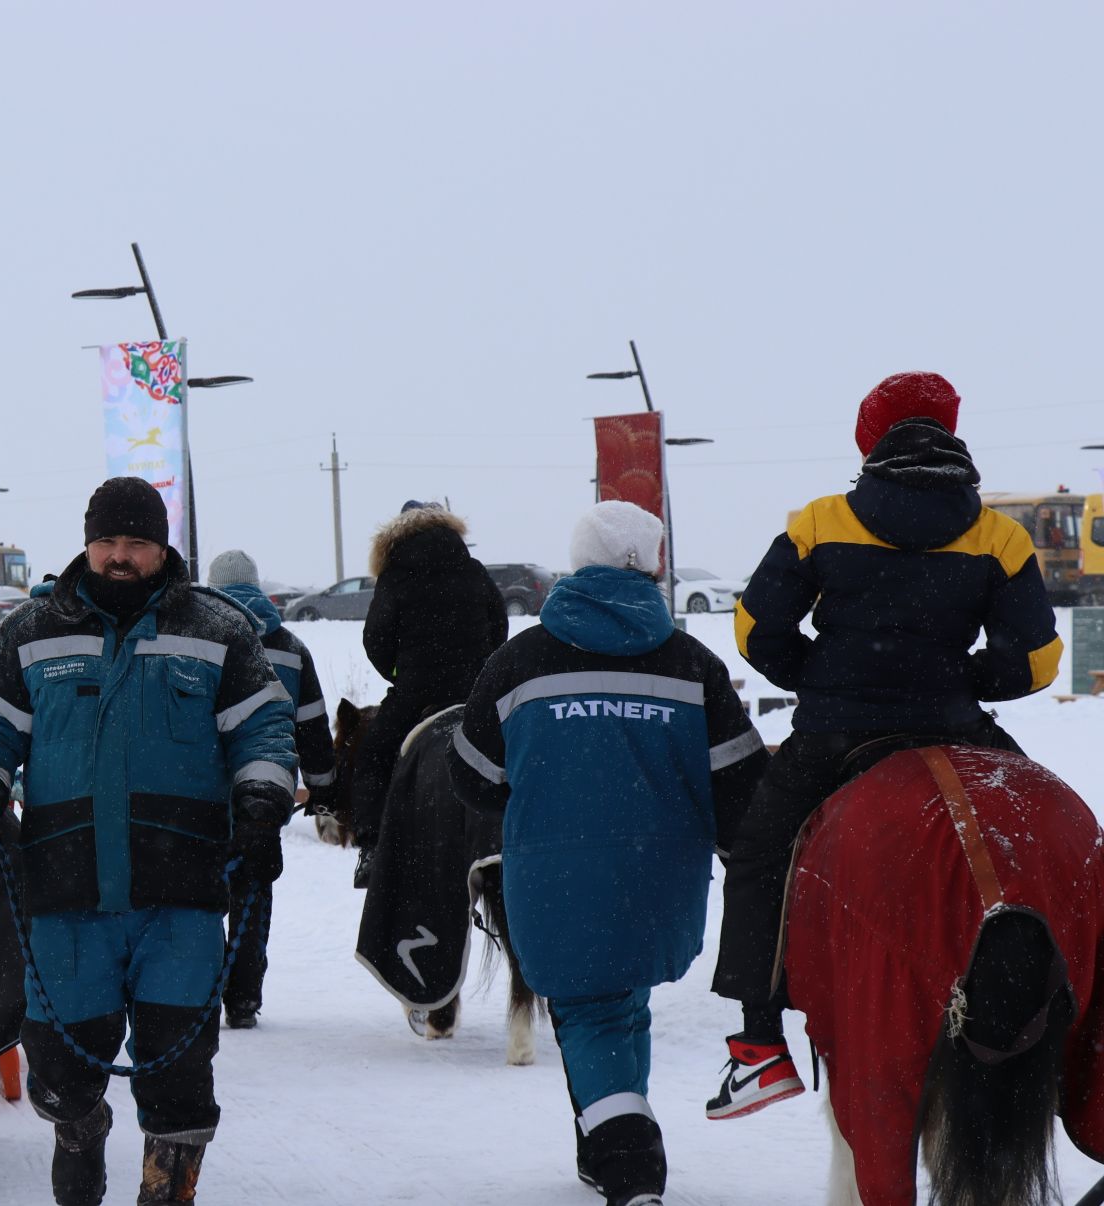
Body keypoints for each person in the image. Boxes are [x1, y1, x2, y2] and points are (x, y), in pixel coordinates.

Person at [708, 371, 1064, 1121]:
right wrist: (962, 678)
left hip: (836, 731)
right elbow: (1035, 661)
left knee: (761, 854)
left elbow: (753, 629)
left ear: (869, 438)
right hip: (952, 724)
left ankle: (758, 1047)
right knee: (1052, 844)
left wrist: (820, 675)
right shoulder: (998, 535)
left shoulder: (820, 520)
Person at [0, 477, 297, 1206]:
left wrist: (261, 804)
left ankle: (165, 1194)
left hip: (182, 896)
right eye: (107, 541)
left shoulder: (217, 628)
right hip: (67, 892)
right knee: (60, 1074)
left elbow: (264, 728)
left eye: (135, 542)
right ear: (87, 543)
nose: (119, 555)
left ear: (162, 545)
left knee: (180, 1074)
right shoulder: (33, 628)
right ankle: (80, 1133)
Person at [448, 501, 768, 1206]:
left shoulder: (518, 662)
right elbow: (741, 784)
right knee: (625, 999)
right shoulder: (693, 664)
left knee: (589, 1010)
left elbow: (470, 776)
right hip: (664, 875)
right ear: (654, 565)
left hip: (555, 876)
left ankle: (629, 1163)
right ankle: (604, 1143)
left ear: (577, 560)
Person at [205, 548, 338, 1030]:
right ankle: (243, 998)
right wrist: (322, 787)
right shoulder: (290, 647)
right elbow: (312, 726)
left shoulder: (198, 635)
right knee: (253, 890)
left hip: (200, 792)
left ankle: (198, 992)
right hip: (266, 790)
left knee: (196, 894)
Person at [349, 500, 508, 886]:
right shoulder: (472, 569)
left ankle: (371, 848)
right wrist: (481, 671)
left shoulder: (394, 573)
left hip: (416, 693)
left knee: (372, 755)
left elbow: (375, 640)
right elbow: (499, 625)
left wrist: (399, 676)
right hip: (473, 692)